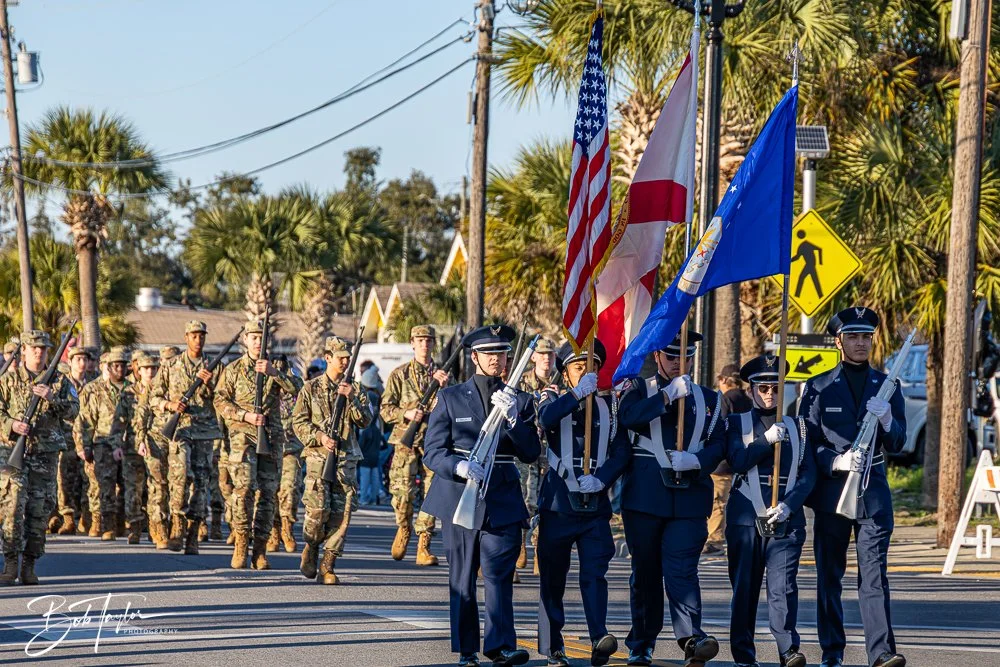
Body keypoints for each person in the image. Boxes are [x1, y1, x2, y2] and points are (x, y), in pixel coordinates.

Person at [422, 324, 540, 667]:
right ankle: (468, 650)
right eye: (489, 353)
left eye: (502, 353)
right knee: (462, 576)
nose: (497, 359)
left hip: (501, 496)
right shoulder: (451, 397)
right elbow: (433, 451)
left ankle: (501, 646)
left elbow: (531, 453)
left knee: (499, 573)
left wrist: (516, 419)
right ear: (474, 357)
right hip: (460, 495)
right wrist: (458, 467)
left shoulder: (519, 399)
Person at [799, 307, 907, 667]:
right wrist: (835, 461)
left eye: (866, 337)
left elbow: (899, 443)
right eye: (853, 337)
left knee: (874, 576)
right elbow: (807, 443)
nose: (860, 343)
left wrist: (889, 419)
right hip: (833, 491)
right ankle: (832, 651)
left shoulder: (887, 386)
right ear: (839, 341)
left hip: (873, 490)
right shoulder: (817, 387)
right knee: (830, 576)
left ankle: (881, 653)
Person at [618, 331, 727, 667]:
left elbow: (720, 443)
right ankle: (641, 642)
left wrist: (697, 461)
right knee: (646, 573)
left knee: (682, 570)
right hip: (646, 497)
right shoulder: (638, 390)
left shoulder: (710, 399)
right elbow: (628, 419)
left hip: (690, 497)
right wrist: (665, 398)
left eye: (686, 356)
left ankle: (692, 637)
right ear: (659, 357)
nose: (680, 362)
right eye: (672, 356)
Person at [535, 341, 629, 667]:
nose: (588, 372)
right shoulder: (551, 398)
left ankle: (598, 637)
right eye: (579, 367)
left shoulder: (609, 407)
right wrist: (576, 395)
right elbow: (545, 419)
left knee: (594, 574)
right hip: (559, 504)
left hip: (594, 506)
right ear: (566, 374)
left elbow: (621, 452)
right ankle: (553, 647)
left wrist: (603, 479)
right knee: (553, 579)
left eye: (592, 367)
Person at [725, 354, 815, 667]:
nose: (769, 394)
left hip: (786, 518)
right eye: (763, 387)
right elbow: (737, 461)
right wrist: (765, 440)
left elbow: (808, 473)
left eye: (775, 387)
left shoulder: (800, 428)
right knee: (745, 589)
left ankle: (788, 649)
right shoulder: (736, 423)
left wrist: (790, 505)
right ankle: (743, 655)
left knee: (783, 587)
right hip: (746, 518)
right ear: (750, 390)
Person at [215, 320, 299, 570]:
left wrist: (275, 374)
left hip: (271, 439)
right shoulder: (233, 370)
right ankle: (241, 543)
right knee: (243, 490)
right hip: (243, 437)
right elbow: (219, 401)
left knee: (268, 494)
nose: (257, 342)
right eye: (253, 337)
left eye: (262, 338)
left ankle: (260, 551)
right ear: (246, 341)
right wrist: (244, 416)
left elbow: (299, 391)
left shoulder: (277, 369)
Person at [0, 330, 78, 585]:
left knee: (39, 511)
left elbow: (74, 410)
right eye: (33, 347)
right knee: (12, 508)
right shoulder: (8, 381)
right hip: (14, 454)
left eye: (43, 348)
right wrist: (11, 425)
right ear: (23, 350)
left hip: (45, 454)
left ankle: (30, 564)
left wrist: (52, 398)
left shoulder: (60, 381)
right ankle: (11, 562)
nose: (38, 351)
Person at [291, 335, 371, 584]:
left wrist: (351, 398)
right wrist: (319, 436)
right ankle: (312, 546)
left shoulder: (356, 389)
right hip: (318, 459)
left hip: (346, 460)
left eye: (348, 358)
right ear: (328, 358)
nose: (345, 362)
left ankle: (328, 564)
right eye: (341, 358)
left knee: (342, 515)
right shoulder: (310, 388)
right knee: (317, 512)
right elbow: (298, 422)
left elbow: (365, 420)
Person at [381, 325, 451, 565]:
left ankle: (424, 543)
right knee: (402, 494)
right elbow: (385, 410)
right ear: (412, 343)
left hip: (434, 441)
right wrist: (406, 413)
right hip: (406, 443)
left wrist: (445, 388)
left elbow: (455, 407)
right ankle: (404, 528)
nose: (424, 344)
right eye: (420, 340)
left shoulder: (443, 376)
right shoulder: (400, 374)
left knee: (432, 494)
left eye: (429, 340)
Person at [153, 321, 224, 555]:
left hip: (204, 431)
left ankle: (193, 533)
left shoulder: (215, 367)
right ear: (186, 337)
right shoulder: (172, 366)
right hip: (180, 429)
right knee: (180, 475)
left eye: (201, 335)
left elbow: (223, 398)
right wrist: (170, 405)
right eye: (194, 335)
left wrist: (209, 382)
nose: (198, 339)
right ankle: (177, 524)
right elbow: (153, 397)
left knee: (202, 482)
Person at [75, 347, 144, 543]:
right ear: (108, 367)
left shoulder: (134, 390)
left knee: (129, 487)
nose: (120, 369)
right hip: (103, 443)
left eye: (123, 365)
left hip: (130, 445)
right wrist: (84, 446)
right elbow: (86, 420)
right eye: (116, 365)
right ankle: (107, 525)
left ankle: (126, 523)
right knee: (105, 486)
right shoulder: (95, 390)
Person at [516, 337, 560, 574]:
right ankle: (520, 544)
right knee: (526, 499)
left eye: (550, 354)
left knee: (547, 503)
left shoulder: (562, 381)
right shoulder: (521, 382)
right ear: (533, 357)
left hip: (552, 452)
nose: (546, 358)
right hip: (527, 450)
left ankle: (539, 551)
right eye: (542, 354)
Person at [704, 364, 753, 556]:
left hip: (722, 463)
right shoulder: (747, 399)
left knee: (717, 502)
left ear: (724, 380)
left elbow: (719, 426)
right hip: (742, 458)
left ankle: (715, 540)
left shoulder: (725, 399)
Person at [265, 354, 305, 554]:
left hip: (290, 445)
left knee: (290, 488)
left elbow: (298, 387)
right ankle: (273, 531)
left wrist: (276, 374)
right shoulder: (260, 377)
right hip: (269, 444)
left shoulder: (290, 375)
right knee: (270, 490)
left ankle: (287, 529)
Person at [51, 347, 92, 536]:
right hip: (67, 438)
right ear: (70, 361)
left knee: (86, 480)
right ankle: (67, 517)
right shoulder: (63, 383)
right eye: (78, 360)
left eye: (85, 359)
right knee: (65, 480)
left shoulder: (93, 384)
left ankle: (85, 516)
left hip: (88, 439)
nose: (82, 363)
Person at [132, 352, 171, 549]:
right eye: (146, 369)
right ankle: (158, 526)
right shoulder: (144, 393)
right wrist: (140, 440)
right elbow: (140, 418)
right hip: (153, 441)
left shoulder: (169, 385)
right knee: (157, 485)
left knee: (171, 486)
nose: (150, 372)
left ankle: (165, 525)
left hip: (172, 442)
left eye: (154, 368)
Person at [357, 365, 385, 506]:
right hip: (374, 456)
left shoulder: (366, 395)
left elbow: (361, 443)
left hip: (365, 458)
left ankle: (364, 498)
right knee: (374, 476)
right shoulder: (375, 395)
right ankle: (375, 496)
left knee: (365, 478)